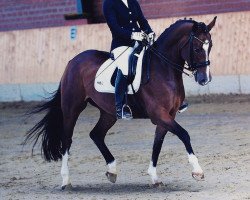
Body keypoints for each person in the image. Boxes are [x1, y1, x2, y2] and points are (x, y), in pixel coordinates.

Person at [103, 0, 155, 119]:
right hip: (121, 45)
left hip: (139, 42)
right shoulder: (109, 3)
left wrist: (150, 32)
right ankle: (119, 107)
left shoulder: (133, 1)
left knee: (154, 58)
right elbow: (114, 27)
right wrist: (132, 35)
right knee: (126, 68)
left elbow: (142, 20)